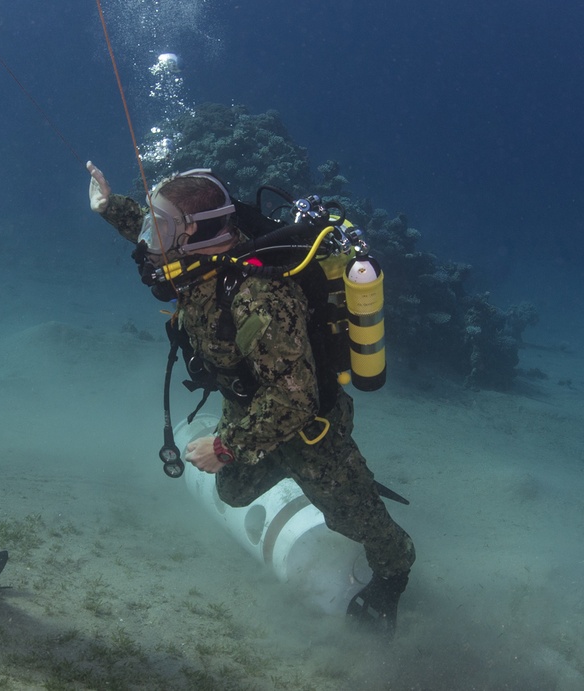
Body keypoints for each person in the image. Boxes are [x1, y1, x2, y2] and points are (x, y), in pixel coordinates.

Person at [86, 161, 416, 637]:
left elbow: (294, 401)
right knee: (233, 489)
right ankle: (320, 476)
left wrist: (224, 447)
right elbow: (154, 227)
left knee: (354, 519)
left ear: (193, 232)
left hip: (309, 430)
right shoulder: (199, 258)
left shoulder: (258, 296)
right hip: (249, 409)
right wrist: (108, 207)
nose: (147, 239)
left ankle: (394, 568)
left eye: (158, 228)